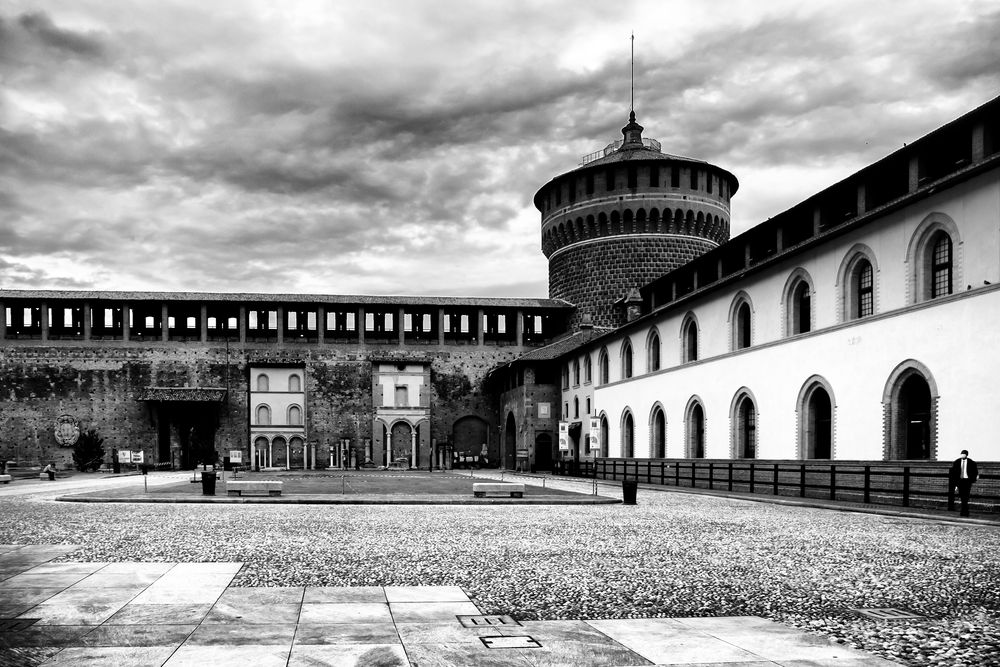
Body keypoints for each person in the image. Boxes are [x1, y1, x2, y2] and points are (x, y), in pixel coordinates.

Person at [949, 450, 978, 517]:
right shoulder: (957, 462)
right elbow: (954, 473)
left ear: (966, 455)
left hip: (967, 481)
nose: (962, 455)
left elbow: (975, 472)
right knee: (962, 496)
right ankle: (965, 511)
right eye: (961, 454)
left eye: (964, 454)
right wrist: (955, 482)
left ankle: (964, 512)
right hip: (960, 481)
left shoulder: (971, 462)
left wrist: (972, 480)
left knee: (966, 496)